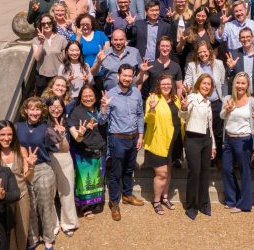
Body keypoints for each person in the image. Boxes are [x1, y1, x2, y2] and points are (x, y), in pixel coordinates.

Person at [0, 120, 36, 250]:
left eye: (9, 134)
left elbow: (27, 177)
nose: (6, 138)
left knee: (22, 232)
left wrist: (31, 166)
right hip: (3, 199)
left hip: (22, 195)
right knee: (9, 236)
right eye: (2, 134)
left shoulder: (20, 150)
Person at [15, 97, 58, 250]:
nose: (34, 112)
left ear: (42, 111)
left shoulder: (47, 128)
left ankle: (48, 238)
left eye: (38, 109)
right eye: (31, 109)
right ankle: (32, 239)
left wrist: (61, 134)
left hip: (42, 169)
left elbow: (60, 147)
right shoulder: (17, 127)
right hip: (24, 169)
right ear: (25, 110)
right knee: (30, 205)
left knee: (45, 205)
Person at [103, 64, 145, 221]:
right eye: (124, 75)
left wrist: (141, 135)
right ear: (118, 76)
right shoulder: (110, 95)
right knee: (115, 173)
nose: (127, 78)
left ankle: (127, 195)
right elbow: (102, 120)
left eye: (130, 76)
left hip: (133, 137)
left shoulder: (136, 93)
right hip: (117, 138)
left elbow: (140, 114)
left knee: (129, 169)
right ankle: (114, 202)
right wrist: (103, 108)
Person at [220, 72, 254, 213]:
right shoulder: (227, 98)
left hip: (244, 140)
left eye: (243, 83)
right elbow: (222, 116)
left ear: (247, 85)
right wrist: (226, 110)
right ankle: (232, 199)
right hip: (229, 138)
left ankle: (244, 204)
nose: (240, 85)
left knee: (245, 172)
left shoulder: (253, 101)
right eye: (238, 82)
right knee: (226, 169)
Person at [67, 85, 109, 220]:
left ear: (95, 97)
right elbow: (76, 137)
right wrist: (82, 131)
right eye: (85, 96)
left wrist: (104, 107)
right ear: (80, 97)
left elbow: (103, 122)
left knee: (97, 178)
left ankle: (95, 202)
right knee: (84, 181)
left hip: (99, 149)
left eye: (91, 95)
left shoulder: (99, 110)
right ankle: (85, 207)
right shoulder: (76, 112)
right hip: (83, 152)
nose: (88, 98)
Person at [144, 75, 184, 215]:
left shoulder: (175, 99)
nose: (166, 86)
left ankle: (165, 197)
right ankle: (156, 200)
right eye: (163, 84)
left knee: (168, 171)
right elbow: (148, 120)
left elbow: (181, 117)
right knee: (161, 174)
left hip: (175, 141)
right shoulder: (153, 98)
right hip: (158, 141)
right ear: (158, 86)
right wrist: (152, 109)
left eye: (168, 84)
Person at [179, 73, 216, 220]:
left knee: (205, 173)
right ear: (198, 84)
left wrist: (213, 144)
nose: (206, 86)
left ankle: (204, 204)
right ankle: (191, 206)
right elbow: (183, 116)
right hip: (193, 139)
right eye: (204, 83)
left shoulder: (208, 102)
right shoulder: (192, 98)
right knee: (194, 173)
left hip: (206, 140)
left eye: (209, 84)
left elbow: (210, 126)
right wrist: (183, 108)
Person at [184, 41, 227, 163]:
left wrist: (223, 100)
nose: (203, 54)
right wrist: (187, 88)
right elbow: (188, 82)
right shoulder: (192, 65)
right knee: (204, 130)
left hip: (215, 102)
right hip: (199, 103)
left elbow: (223, 83)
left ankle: (216, 157)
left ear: (210, 51)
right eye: (200, 52)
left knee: (217, 132)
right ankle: (203, 157)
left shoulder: (218, 63)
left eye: (204, 51)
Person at [45, 96, 79, 238]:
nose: (56, 110)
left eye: (59, 107)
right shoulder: (43, 123)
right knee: (49, 193)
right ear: (47, 108)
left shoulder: (67, 121)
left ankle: (69, 223)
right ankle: (53, 224)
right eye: (52, 107)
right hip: (47, 159)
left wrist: (64, 135)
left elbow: (75, 139)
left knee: (67, 192)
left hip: (64, 158)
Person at [225, 28, 254, 100]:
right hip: (239, 96)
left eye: (248, 37)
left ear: (253, 37)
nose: (245, 39)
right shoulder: (234, 54)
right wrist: (231, 68)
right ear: (239, 39)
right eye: (243, 37)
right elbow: (228, 75)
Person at [32, 14, 67, 96]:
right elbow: (37, 58)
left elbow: (65, 58)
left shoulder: (61, 38)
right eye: (43, 24)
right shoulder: (36, 40)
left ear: (53, 24)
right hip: (42, 76)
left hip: (57, 75)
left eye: (49, 23)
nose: (46, 25)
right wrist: (41, 43)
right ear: (40, 25)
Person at [138, 36, 183, 100]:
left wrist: (179, 104)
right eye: (162, 46)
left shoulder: (176, 66)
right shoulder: (150, 65)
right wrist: (142, 72)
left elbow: (179, 87)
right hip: (154, 103)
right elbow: (138, 82)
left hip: (171, 103)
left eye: (167, 46)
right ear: (158, 47)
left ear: (170, 48)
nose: (165, 48)